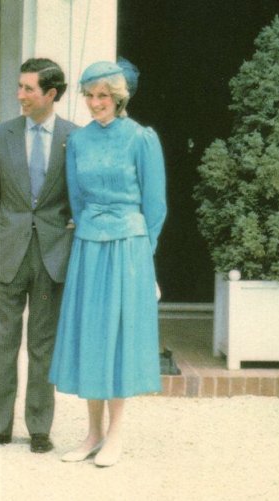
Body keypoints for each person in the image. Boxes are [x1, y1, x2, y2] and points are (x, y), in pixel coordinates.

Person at [49, 59, 167, 467]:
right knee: (90, 334)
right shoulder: (78, 141)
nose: (95, 102)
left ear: (119, 98)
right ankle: (92, 433)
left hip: (128, 249)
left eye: (103, 96)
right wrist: (88, 230)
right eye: (90, 95)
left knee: (117, 338)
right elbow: (77, 199)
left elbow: (155, 206)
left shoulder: (141, 138)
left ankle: (115, 435)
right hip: (89, 245)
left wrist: (145, 262)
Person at [0, 58, 77, 454]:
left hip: (53, 254)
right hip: (6, 249)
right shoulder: (0, 135)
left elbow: (76, 198)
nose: (20, 95)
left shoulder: (74, 136)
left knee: (42, 344)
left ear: (51, 94)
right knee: (0, 341)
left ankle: (39, 428)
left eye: (28, 89)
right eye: (19, 87)